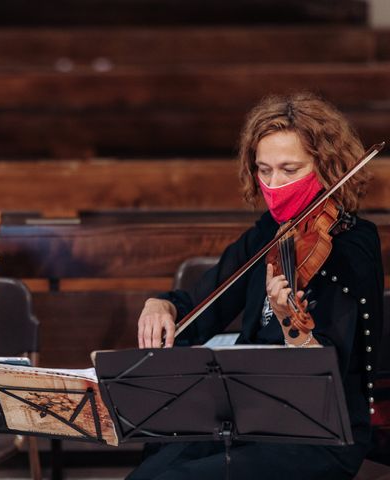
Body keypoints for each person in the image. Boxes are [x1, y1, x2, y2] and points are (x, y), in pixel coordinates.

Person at [131, 92, 384, 479]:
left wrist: (291, 325)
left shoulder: (352, 245)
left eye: (289, 169)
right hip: (249, 420)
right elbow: (200, 307)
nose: (274, 183)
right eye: (264, 170)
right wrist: (161, 305)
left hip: (321, 433)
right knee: (155, 464)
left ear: (327, 167)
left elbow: (329, 373)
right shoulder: (269, 233)